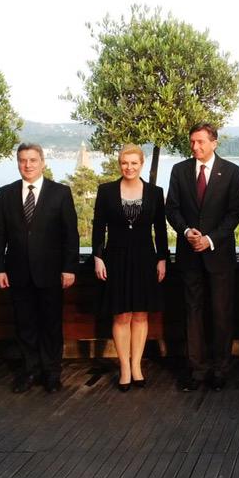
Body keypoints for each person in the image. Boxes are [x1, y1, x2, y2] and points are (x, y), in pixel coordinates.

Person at [0, 142, 80, 394]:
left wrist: (69, 268)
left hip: (51, 273)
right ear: (18, 163)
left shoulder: (61, 193)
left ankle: (52, 374)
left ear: (42, 162)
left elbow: (70, 235)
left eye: (32, 160)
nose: (27, 165)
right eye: (22, 160)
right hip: (17, 272)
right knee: (25, 325)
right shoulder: (5, 194)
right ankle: (30, 371)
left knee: (51, 325)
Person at [165, 123, 239, 392]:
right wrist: (187, 231)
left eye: (200, 141)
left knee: (221, 313)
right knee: (193, 313)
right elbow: (172, 208)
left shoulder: (231, 171)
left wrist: (209, 239)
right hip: (189, 255)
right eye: (192, 142)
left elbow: (235, 212)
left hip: (218, 255)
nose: (195, 146)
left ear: (214, 143)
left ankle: (221, 369)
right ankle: (197, 370)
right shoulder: (179, 170)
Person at [92, 144, 169, 392]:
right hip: (115, 258)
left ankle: (137, 366)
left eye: (134, 163)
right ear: (119, 164)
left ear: (141, 164)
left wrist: (162, 258)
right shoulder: (106, 191)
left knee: (140, 315)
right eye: (125, 163)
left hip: (145, 258)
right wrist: (98, 257)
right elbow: (98, 227)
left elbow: (160, 230)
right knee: (121, 315)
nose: (129, 167)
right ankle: (124, 366)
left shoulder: (155, 192)